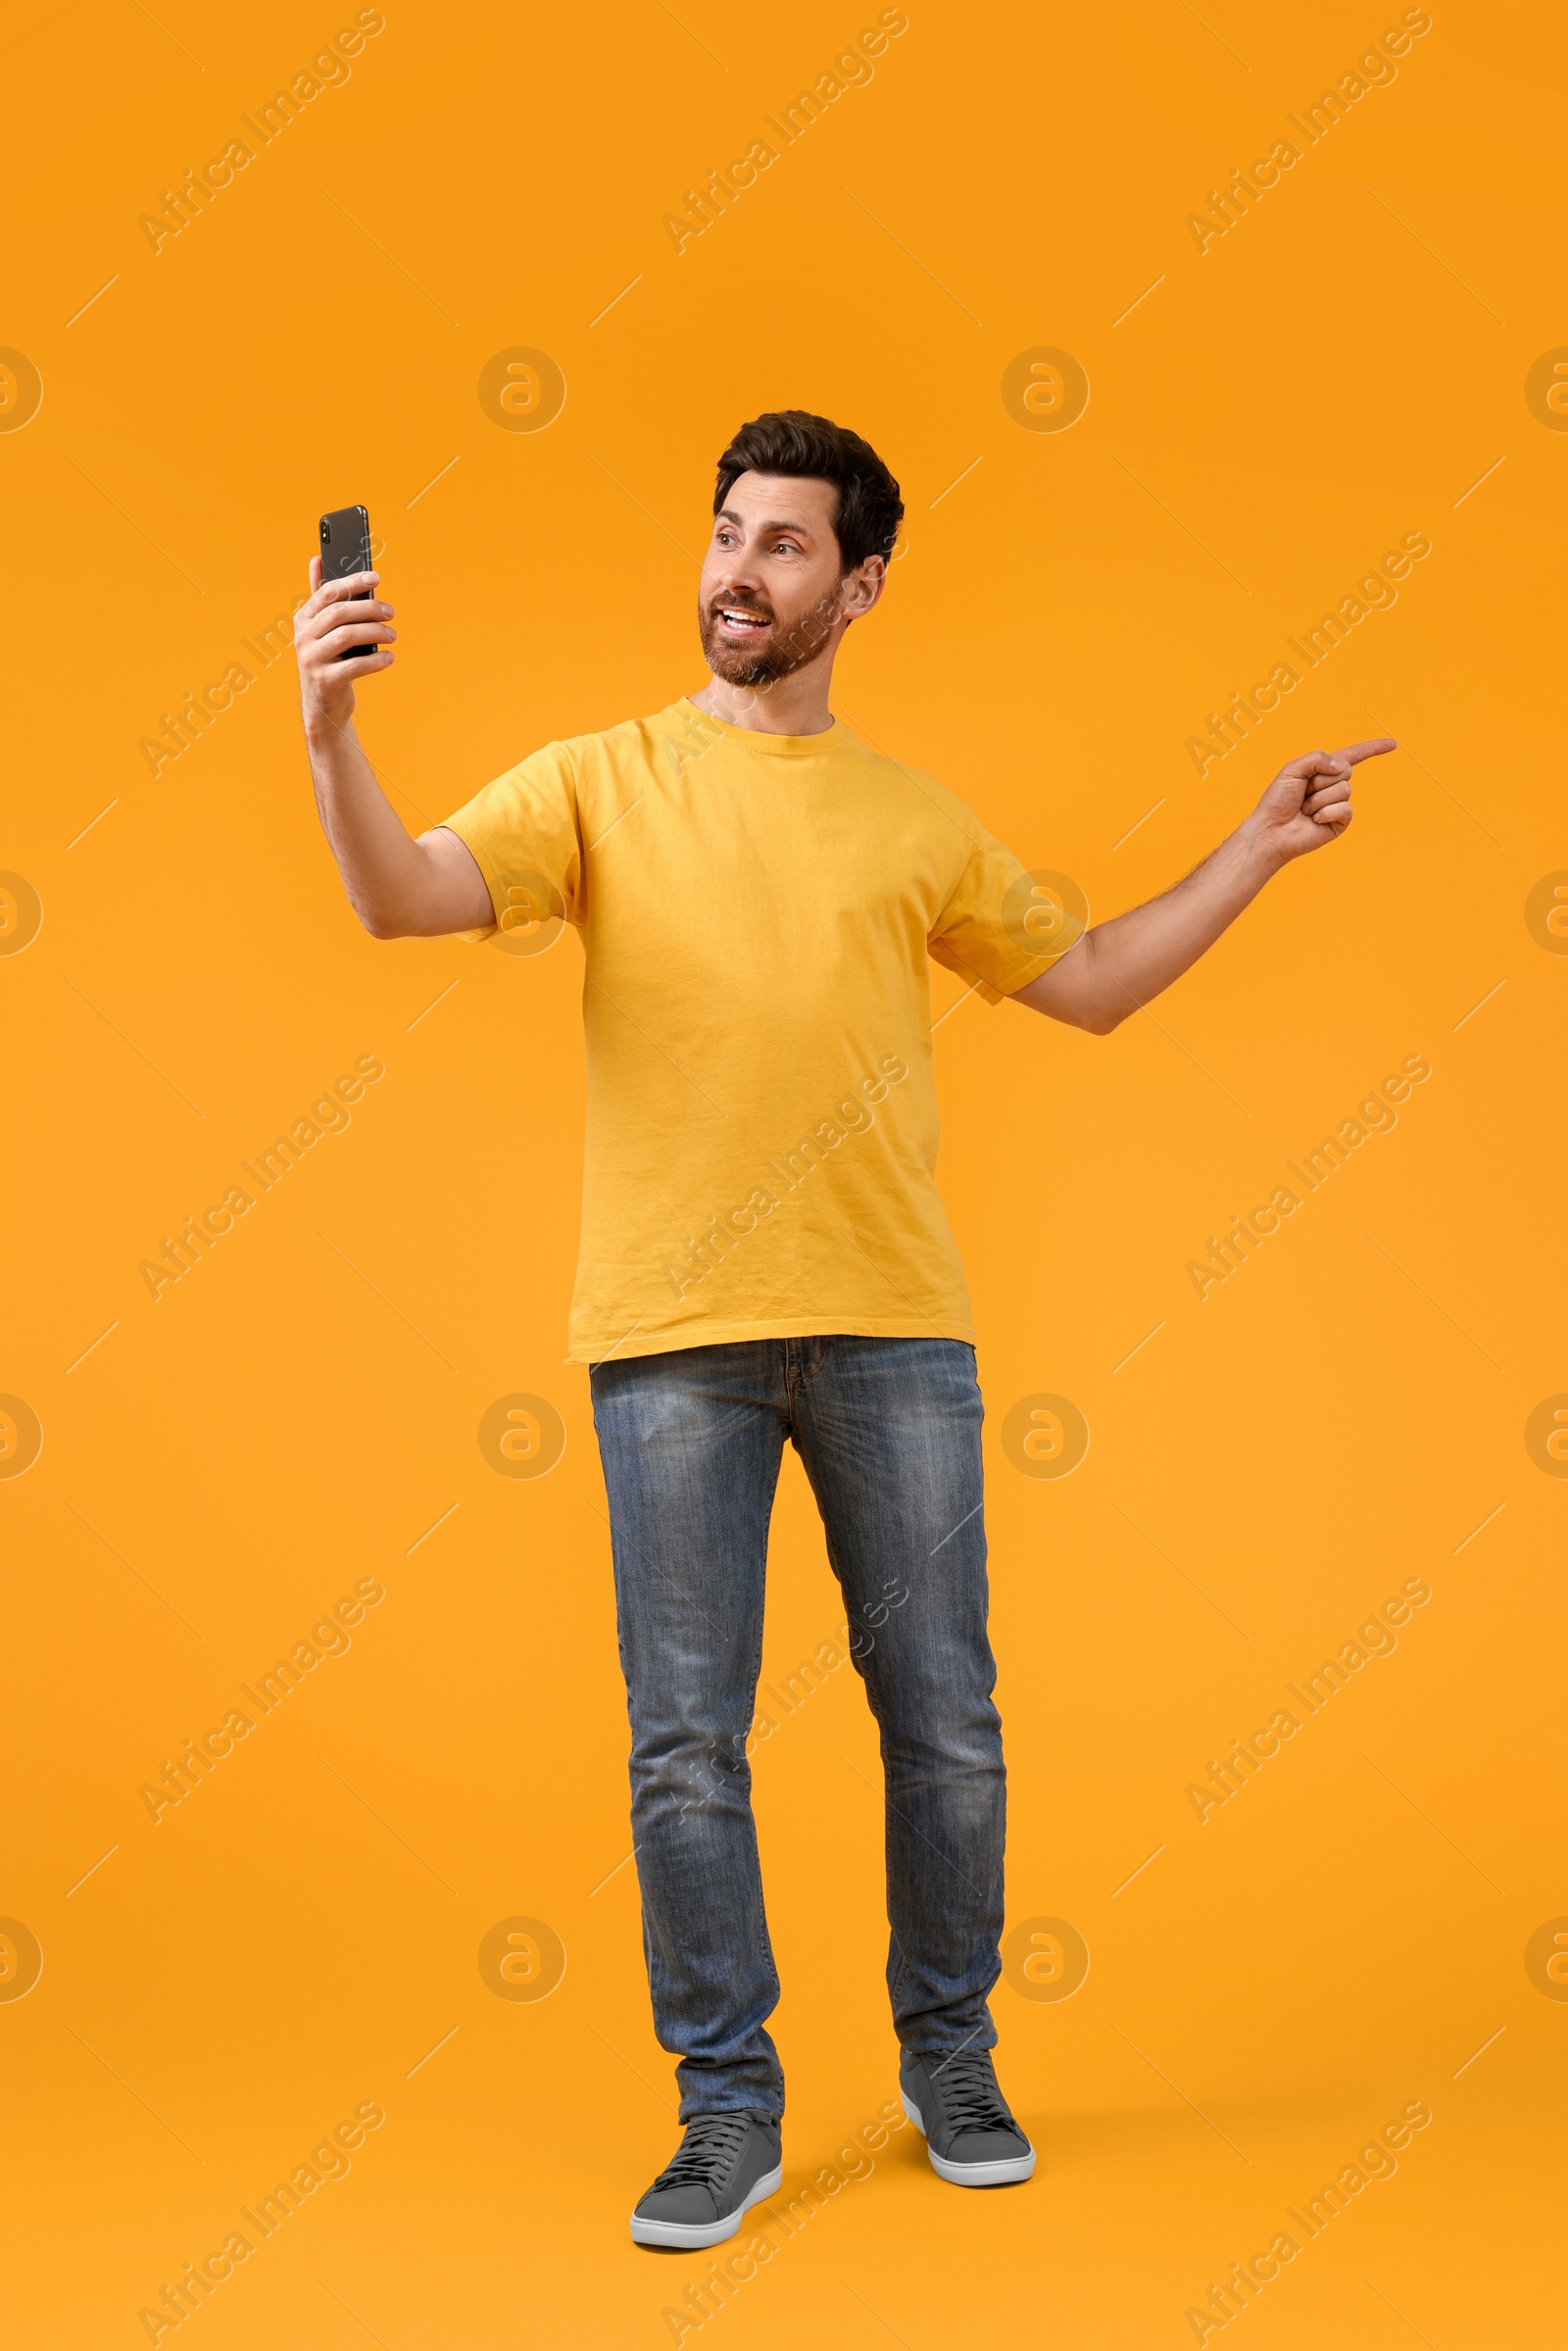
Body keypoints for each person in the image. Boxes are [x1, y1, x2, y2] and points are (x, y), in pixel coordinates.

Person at [296, 410, 1391, 2249]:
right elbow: (402, 897)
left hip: (893, 1333)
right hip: (671, 1337)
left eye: (785, 544)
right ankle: (725, 2107)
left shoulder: (911, 818)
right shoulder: (599, 783)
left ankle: (948, 2054)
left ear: (860, 584)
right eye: (728, 532)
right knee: (684, 1747)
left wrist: (1254, 850)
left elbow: (1097, 982)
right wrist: (329, 734)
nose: (739, 569)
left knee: (945, 1724)